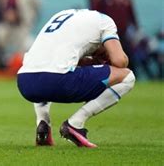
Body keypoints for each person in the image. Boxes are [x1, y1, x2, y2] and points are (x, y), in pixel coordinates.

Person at [17, 9, 135, 148]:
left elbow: (59, 58)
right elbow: (119, 61)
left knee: (48, 66)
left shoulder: (61, 15)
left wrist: (93, 61)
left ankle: (43, 124)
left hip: (25, 82)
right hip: (57, 82)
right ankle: (75, 123)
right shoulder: (105, 21)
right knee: (127, 76)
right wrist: (112, 57)